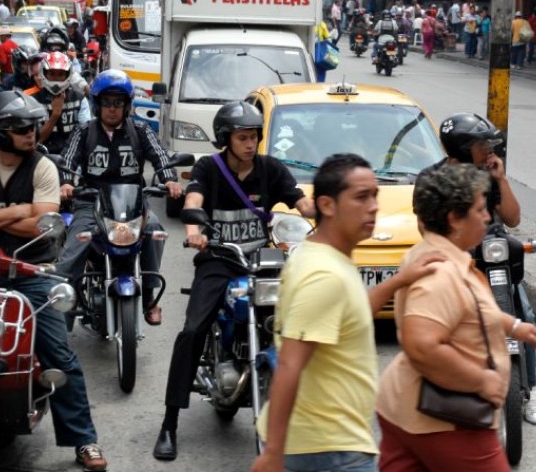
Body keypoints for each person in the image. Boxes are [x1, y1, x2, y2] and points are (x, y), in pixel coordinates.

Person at [251, 154, 444, 472]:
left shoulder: (323, 256)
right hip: (329, 449)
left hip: (328, 444)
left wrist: (399, 280)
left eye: (375, 196)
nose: (373, 207)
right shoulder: (324, 274)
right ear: (327, 205)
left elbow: (348, 315)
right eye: (361, 197)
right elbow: (289, 364)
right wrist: (272, 453)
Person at [0, 90, 108, 472]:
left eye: (34, 125)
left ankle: (83, 439)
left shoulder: (43, 168)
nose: (32, 133)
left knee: (59, 353)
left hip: (33, 273)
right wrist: (20, 213)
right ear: (0, 130)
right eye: (22, 127)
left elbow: (44, 226)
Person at [154, 101, 317, 462]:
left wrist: (324, 212)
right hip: (219, 260)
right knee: (193, 330)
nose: (249, 143)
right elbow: (193, 199)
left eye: (254, 136)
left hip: (263, 263)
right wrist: (195, 231)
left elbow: (299, 202)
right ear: (225, 139)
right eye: (242, 137)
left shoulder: (270, 169)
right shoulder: (208, 168)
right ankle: (169, 423)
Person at [375, 164, 536, 472]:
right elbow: (422, 344)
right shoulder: (440, 271)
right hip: (447, 418)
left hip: (407, 409)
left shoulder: (435, 254)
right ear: (454, 218)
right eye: (480, 209)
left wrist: (514, 326)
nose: (487, 217)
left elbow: (471, 312)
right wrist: (482, 380)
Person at [56, 70, 183, 325]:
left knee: (155, 230)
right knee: (72, 249)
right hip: (91, 203)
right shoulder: (84, 132)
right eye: (106, 103)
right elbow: (67, 159)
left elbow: (159, 155)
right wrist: (66, 183)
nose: (112, 109)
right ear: (97, 105)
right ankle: (63, 308)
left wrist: (169, 179)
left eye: (118, 103)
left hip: (133, 204)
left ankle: (148, 295)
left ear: (126, 106)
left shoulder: (140, 129)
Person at [27, 51, 90, 154]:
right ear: (44, 73)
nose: (56, 78)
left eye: (60, 74)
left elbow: (85, 137)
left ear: (68, 75)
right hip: (41, 157)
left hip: (73, 157)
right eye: (52, 73)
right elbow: (34, 142)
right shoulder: (33, 100)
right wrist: (55, 115)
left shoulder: (80, 99)